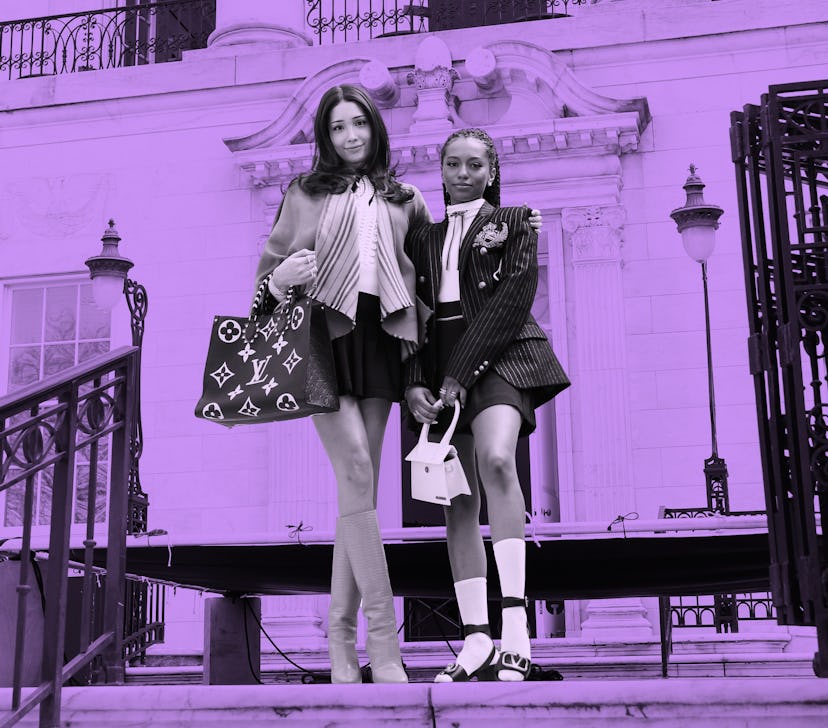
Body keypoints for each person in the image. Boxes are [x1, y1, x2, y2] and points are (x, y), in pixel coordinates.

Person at [255, 87, 542, 684]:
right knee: (356, 471)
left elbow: (431, 279)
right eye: (337, 128)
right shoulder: (301, 192)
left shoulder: (406, 199)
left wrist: (514, 222)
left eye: (359, 123)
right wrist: (281, 277)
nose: (351, 137)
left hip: (381, 341)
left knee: (358, 492)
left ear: (375, 128)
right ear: (324, 136)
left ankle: (342, 641)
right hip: (319, 338)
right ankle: (378, 644)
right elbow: (265, 282)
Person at [404, 128, 570, 682]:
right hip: (439, 364)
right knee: (455, 497)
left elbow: (513, 300)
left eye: (474, 164)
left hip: (499, 354)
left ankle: (516, 627)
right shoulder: (421, 238)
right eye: (453, 163)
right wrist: (413, 382)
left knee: (497, 459)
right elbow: (409, 316)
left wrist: (458, 373)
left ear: (491, 170)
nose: (462, 173)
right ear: (442, 169)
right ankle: (476, 637)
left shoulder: (517, 221)